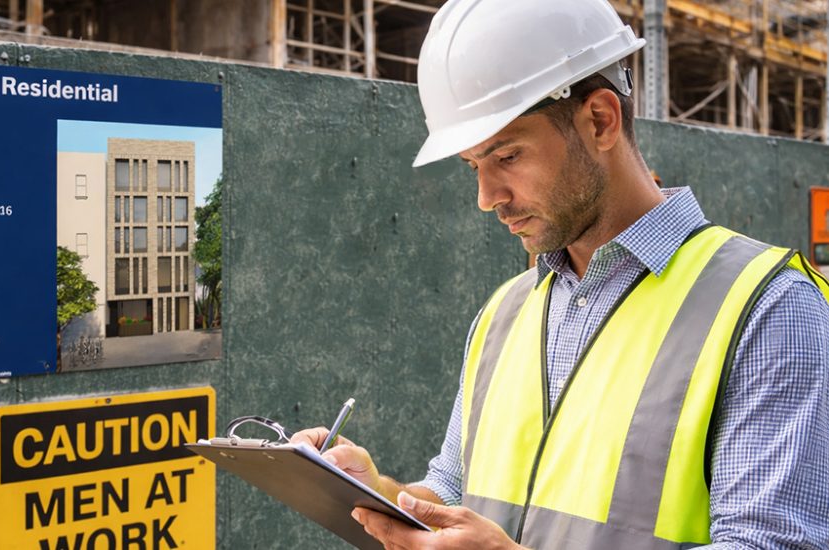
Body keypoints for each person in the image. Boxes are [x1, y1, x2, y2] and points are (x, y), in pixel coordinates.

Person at [292, 0, 829, 548]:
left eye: (507, 157)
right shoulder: (505, 313)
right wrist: (377, 493)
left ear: (600, 120)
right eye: (474, 167)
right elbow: (455, 490)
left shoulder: (769, 308)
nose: (486, 198)